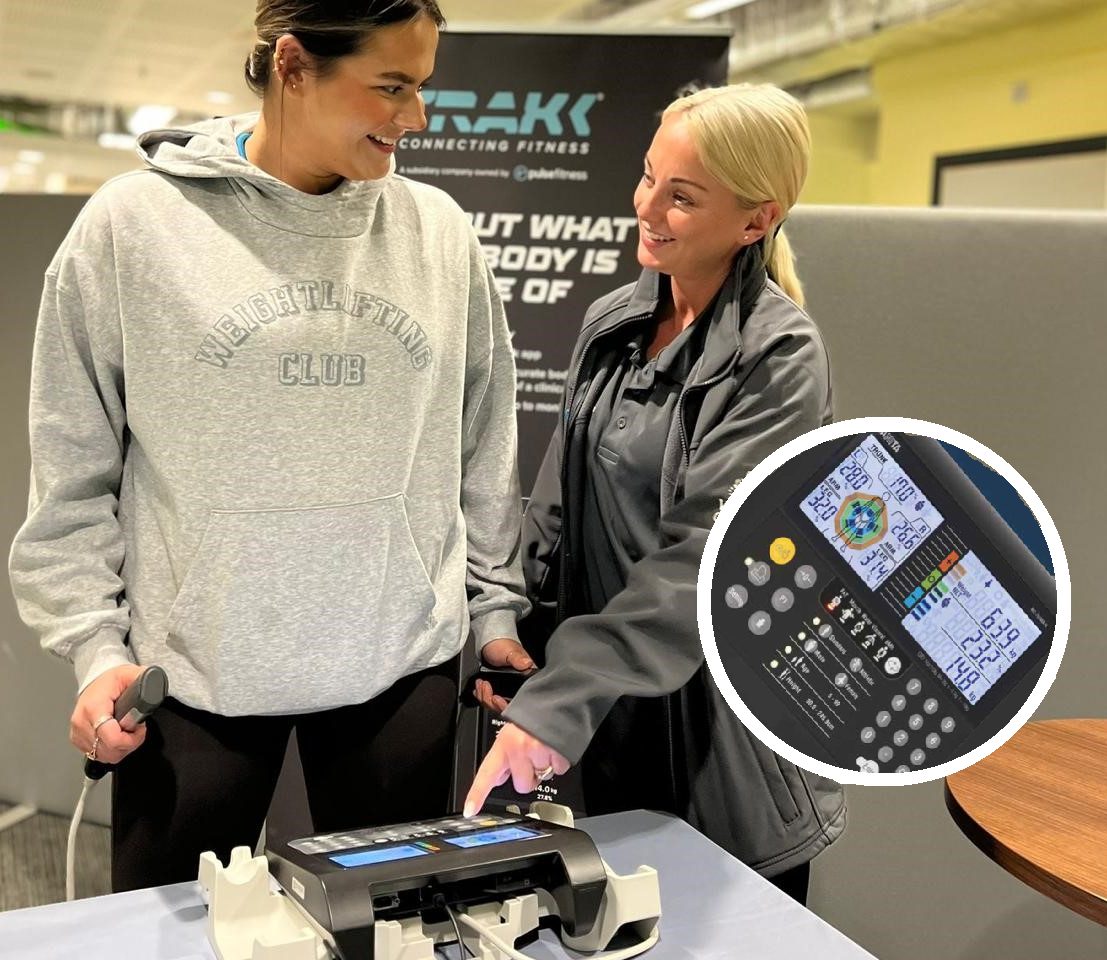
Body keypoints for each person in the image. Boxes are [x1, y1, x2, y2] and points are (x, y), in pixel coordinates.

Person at [9, 0, 528, 892]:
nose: (416, 118)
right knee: (165, 941)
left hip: (400, 667)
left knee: (393, 938)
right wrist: (97, 649)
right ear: (293, 65)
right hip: (194, 676)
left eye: (422, 88)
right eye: (391, 86)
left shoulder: (439, 232)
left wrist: (493, 612)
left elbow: (481, 445)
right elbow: (73, 470)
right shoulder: (131, 228)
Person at [467, 83, 845, 905]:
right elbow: (558, 508)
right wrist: (519, 631)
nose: (648, 207)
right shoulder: (612, 321)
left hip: (717, 754)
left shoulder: (778, 357)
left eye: (682, 196)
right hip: (610, 727)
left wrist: (562, 697)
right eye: (647, 179)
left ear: (755, 220)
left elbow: (704, 559)